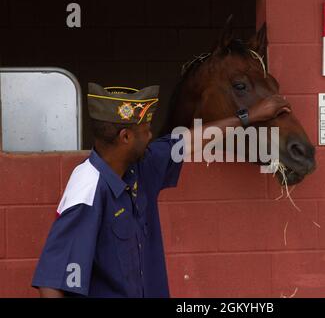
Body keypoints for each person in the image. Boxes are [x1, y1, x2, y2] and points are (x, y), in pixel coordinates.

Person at [32, 82, 291, 297]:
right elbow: (52, 283)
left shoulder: (138, 167)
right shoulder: (87, 187)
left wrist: (250, 116)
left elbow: (188, 141)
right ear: (126, 137)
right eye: (146, 130)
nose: (150, 136)